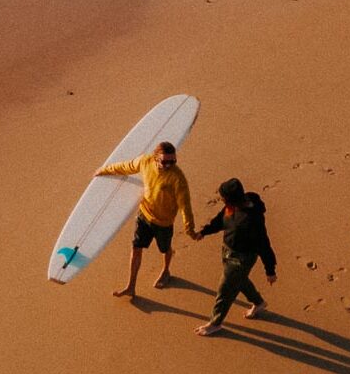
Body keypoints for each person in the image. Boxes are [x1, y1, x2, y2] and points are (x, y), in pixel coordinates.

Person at [97, 141, 196, 299]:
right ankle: (131, 286)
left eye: (173, 161)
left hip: (164, 222)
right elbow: (126, 166)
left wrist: (189, 228)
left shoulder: (178, 178)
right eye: (165, 161)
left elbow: (185, 205)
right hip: (144, 215)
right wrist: (104, 170)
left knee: (165, 249)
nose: (169, 165)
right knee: (136, 248)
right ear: (155, 158)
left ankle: (166, 270)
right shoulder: (145, 161)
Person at [193, 177, 276, 335]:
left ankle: (215, 323)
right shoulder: (231, 206)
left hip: (241, 258)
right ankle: (258, 303)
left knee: (225, 290)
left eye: (223, 197)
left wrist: (270, 270)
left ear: (232, 199)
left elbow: (264, 244)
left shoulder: (252, 219)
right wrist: (204, 232)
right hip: (227, 250)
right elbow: (220, 220)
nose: (221, 200)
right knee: (239, 280)